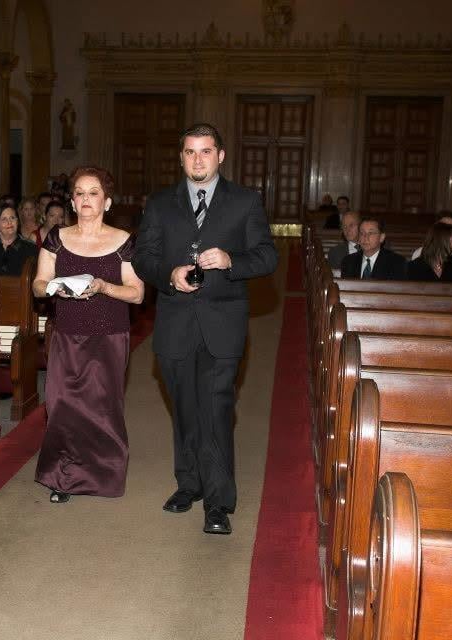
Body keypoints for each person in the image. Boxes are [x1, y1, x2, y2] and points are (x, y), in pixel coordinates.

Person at [132, 123, 278, 535]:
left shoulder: (244, 202)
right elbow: (144, 257)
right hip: (175, 322)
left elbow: (267, 257)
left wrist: (232, 261)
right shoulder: (160, 204)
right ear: (181, 157)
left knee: (215, 411)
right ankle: (189, 485)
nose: (199, 159)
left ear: (221, 155)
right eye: (191, 152)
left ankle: (218, 503)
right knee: (184, 411)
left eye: (206, 151)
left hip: (223, 323)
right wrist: (169, 274)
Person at [32, 166, 145, 503]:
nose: (85, 198)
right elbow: (38, 286)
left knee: (101, 407)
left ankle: (103, 473)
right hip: (67, 334)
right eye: (79, 192)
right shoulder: (57, 237)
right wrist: (55, 288)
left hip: (109, 335)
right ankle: (63, 477)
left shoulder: (124, 241)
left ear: (106, 202)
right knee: (62, 404)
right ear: (72, 200)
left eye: (93, 192)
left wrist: (102, 287)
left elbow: (137, 293)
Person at [340, 217, 407, 280]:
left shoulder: (396, 262)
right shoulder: (348, 262)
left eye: (370, 233)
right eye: (362, 233)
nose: (365, 237)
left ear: (381, 237)